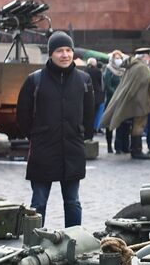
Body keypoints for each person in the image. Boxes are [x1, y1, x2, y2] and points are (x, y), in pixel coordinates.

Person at [16, 31, 94, 227]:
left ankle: (74, 242)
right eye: (60, 50)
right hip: (44, 150)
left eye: (68, 50)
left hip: (72, 150)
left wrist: (80, 133)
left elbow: (89, 114)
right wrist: (36, 134)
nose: (65, 55)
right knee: (38, 203)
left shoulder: (84, 80)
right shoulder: (35, 80)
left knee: (73, 202)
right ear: (51, 53)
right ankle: (33, 245)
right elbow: (23, 115)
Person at [101, 48, 150, 160]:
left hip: (135, 100)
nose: (149, 58)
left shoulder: (132, 66)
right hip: (141, 101)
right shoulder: (142, 67)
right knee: (139, 126)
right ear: (144, 56)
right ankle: (137, 150)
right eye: (148, 56)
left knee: (135, 125)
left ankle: (133, 149)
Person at [102, 50, 125, 153]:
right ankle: (109, 146)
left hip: (122, 101)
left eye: (119, 57)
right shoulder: (108, 70)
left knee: (121, 125)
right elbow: (107, 85)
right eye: (116, 58)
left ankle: (119, 146)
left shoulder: (123, 70)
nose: (118, 60)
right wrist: (116, 94)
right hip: (111, 101)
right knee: (110, 125)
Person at [85, 58, 105, 136]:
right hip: (98, 95)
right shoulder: (98, 71)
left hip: (88, 95)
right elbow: (102, 84)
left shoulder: (84, 71)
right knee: (97, 113)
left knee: (90, 113)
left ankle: (89, 129)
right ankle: (95, 128)